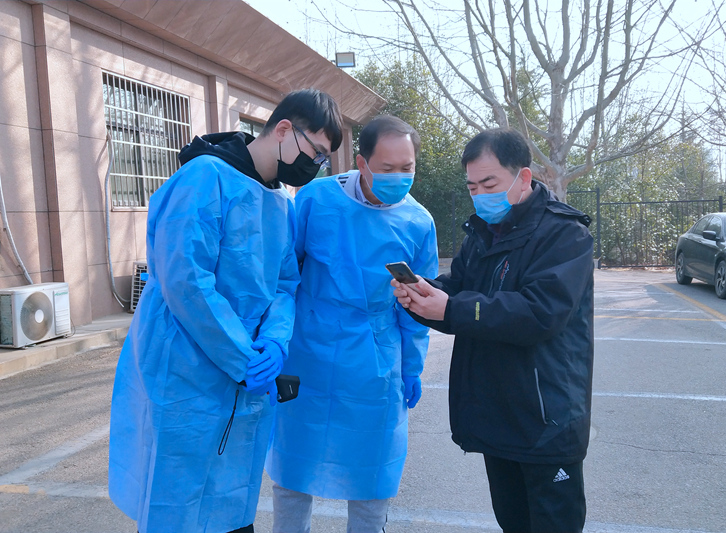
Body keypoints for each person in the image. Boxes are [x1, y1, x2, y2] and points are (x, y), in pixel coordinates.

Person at [108, 88, 343, 533]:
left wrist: (274, 340)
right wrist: (242, 356)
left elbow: (284, 284)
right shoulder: (205, 177)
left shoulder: (279, 201)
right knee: (176, 499)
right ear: (284, 129)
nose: (315, 165)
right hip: (186, 365)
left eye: (323, 159)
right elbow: (186, 282)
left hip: (246, 370)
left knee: (232, 497)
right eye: (315, 151)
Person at [392, 128, 594, 533]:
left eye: (489, 184)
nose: (480, 195)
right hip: (498, 414)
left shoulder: (565, 234)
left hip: (546, 418)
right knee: (513, 522)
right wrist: (423, 296)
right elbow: (459, 290)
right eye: (472, 187)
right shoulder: (484, 232)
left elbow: (540, 312)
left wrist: (451, 307)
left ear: (523, 177)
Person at [266, 115, 439, 533]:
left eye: (407, 168)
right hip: (307, 347)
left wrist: (412, 367)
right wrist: (273, 336)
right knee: (293, 467)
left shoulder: (418, 223)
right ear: (362, 163)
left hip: (374, 357)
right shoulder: (317, 198)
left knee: (372, 473)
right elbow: (285, 273)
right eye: (387, 168)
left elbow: (417, 306)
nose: (399, 177)